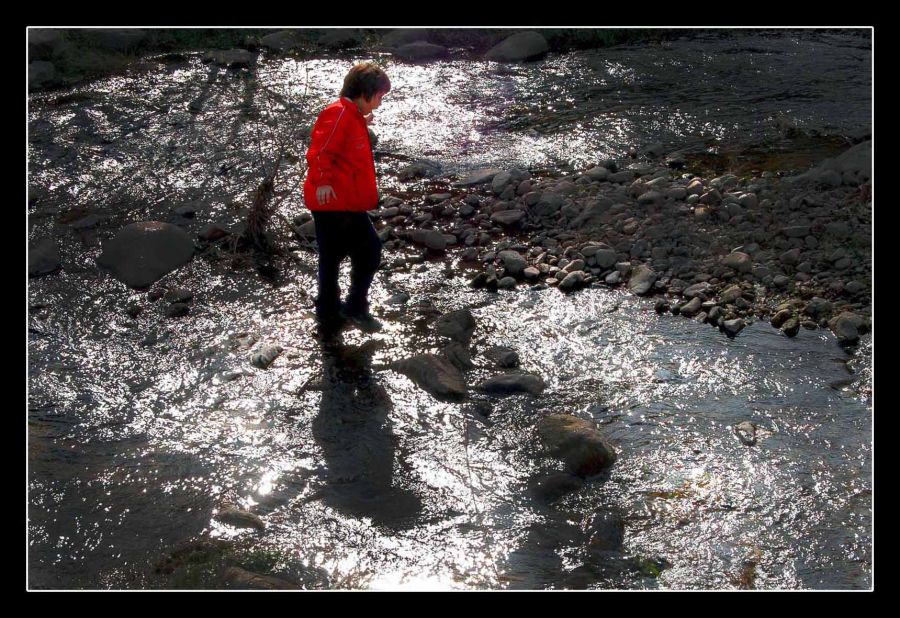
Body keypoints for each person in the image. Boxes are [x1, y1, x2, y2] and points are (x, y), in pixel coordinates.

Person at [304, 62, 390, 334]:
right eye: (378, 96)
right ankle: (354, 307)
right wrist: (323, 181)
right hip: (335, 201)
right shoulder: (339, 114)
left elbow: (338, 141)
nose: (379, 103)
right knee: (369, 250)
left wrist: (360, 121)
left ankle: (328, 311)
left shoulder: (348, 115)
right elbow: (320, 151)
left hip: (339, 200)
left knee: (332, 255)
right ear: (365, 92)